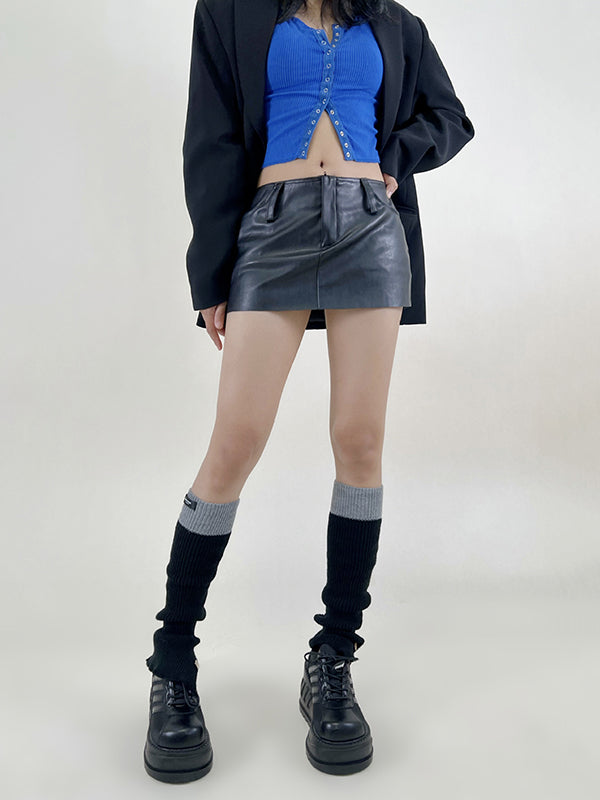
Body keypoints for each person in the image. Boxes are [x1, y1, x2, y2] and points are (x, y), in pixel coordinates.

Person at [143, 0, 475, 782]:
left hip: (370, 228)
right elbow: (210, 136)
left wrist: (396, 155)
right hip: (272, 226)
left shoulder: (395, 23)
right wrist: (212, 272)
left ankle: (332, 659)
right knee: (234, 444)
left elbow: (450, 117)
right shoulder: (229, 12)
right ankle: (173, 664)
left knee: (360, 442)